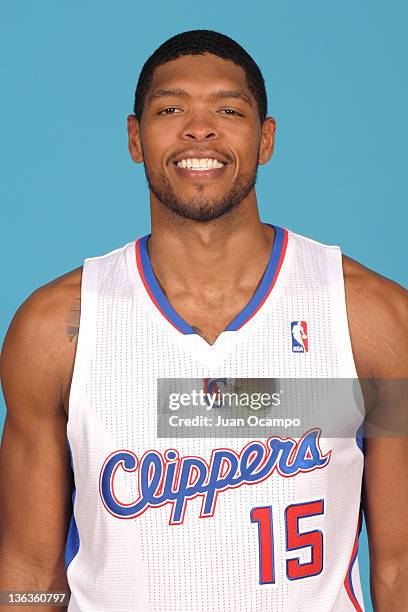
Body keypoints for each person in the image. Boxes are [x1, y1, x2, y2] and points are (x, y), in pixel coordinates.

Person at [0, 29, 407, 612]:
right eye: (171, 109)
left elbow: (398, 568)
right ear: (136, 139)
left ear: (265, 139)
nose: (199, 128)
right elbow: (27, 572)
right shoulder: (54, 329)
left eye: (227, 109)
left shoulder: (372, 319)